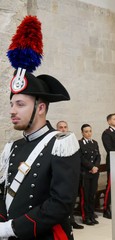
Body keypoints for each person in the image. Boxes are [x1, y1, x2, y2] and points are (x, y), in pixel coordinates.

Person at [0, 71, 80, 239]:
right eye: (11, 104)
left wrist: (10, 228)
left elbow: (61, 204)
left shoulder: (61, 143)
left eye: (20, 104)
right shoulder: (13, 147)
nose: (12, 111)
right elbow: (3, 192)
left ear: (41, 108)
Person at [56, 121, 84, 230]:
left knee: (71, 200)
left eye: (65, 127)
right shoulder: (54, 141)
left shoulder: (73, 142)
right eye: (60, 127)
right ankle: (62, 222)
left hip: (72, 175)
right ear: (57, 129)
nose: (63, 129)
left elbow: (77, 158)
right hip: (59, 177)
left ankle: (71, 221)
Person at [79, 124, 101, 225]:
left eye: (90, 131)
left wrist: (95, 167)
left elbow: (98, 156)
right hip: (85, 173)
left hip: (94, 173)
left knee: (92, 195)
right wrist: (91, 167)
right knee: (86, 196)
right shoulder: (79, 143)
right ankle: (85, 217)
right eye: (86, 131)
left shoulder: (95, 143)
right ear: (82, 133)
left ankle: (92, 215)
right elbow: (81, 158)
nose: (88, 133)